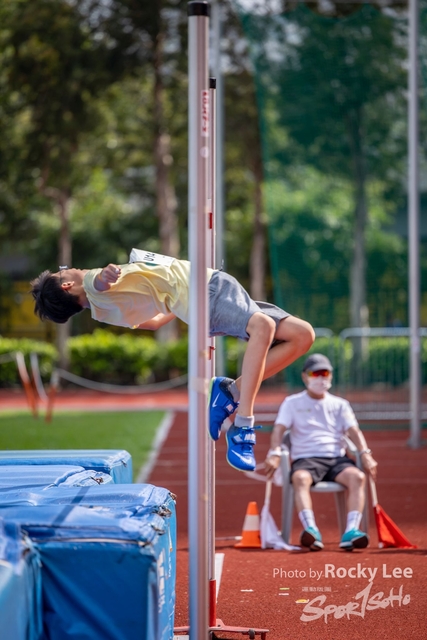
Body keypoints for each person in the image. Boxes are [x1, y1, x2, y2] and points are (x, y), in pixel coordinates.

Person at [31, 258, 314, 472]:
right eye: (63, 271)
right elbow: (99, 281)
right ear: (67, 285)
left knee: (302, 336)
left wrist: (180, 302)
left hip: (210, 290)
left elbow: (154, 322)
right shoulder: (95, 283)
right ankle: (242, 426)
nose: (69, 268)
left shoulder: (103, 312)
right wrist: (106, 276)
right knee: (263, 326)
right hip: (208, 292)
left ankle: (230, 393)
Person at [264, 353, 378, 551]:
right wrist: (274, 453)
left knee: (358, 477)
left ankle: (351, 531)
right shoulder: (292, 403)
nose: (320, 378)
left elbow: (354, 431)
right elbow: (278, 430)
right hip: (306, 459)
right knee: (299, 478)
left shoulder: (340, 404)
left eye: (324, 373)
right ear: (304, 376)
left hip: (336, 460)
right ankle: (311, 529)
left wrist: (365, 453)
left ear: (331, 376)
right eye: (315, 374)